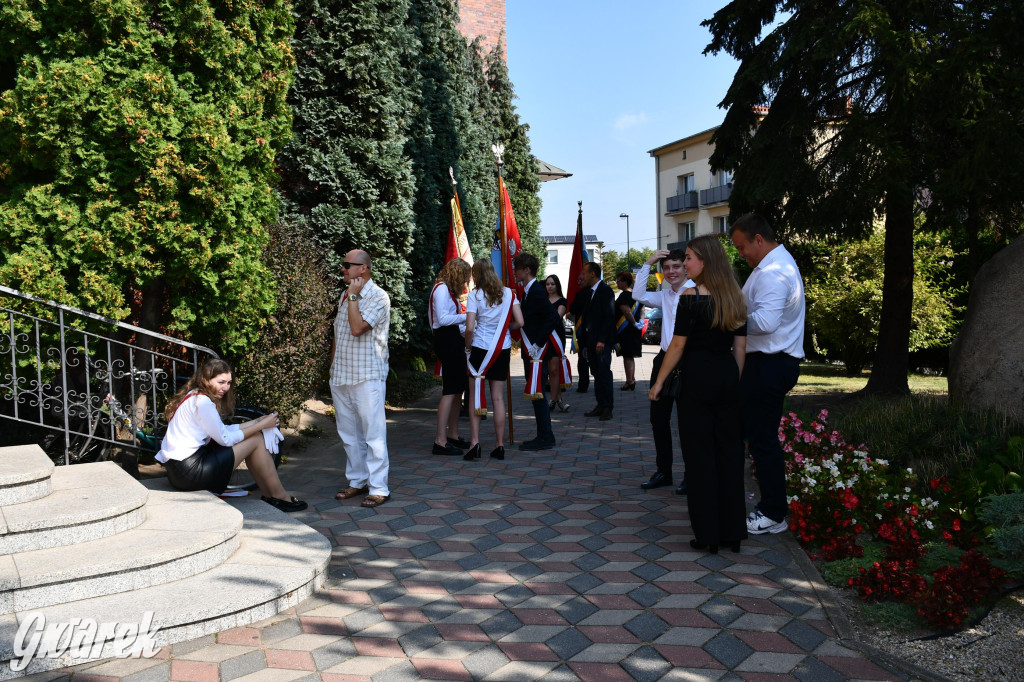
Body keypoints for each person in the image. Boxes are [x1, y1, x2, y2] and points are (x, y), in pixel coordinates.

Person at [650, 235, 748, 554]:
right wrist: (734, 380)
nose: (685, 263)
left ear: (705, 261)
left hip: (696, 380)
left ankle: (707, 535)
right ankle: (732, 532)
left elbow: (677, 346)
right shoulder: (735, 297)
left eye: (690, 257)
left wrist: (658, 382)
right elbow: (740, 347)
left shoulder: (690, 297)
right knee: (729, 455)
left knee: (700, 456)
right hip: (726, 378)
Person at [729, 214, 805, 535]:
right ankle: (757, 503)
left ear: (759, 239)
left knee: (761, 438)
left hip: (771, 364)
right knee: (750, 433)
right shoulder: (768, 268)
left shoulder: (775, 273)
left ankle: (773, 512)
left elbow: (766, 322)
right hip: (766, 363)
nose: (740, 254)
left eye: (742, 247)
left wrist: (729, 320)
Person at [157, 359, 307, 512]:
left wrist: (256, 421)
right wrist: (261, 426)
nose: (225, 388)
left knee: (254, 437)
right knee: (255, 439)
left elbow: (222, 430)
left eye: (228, 383)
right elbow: (225, 439)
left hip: (179, 472)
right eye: (221, 382)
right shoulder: (203, 403)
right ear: (206, 379)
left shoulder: (194, 395)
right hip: (190, 473)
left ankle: (271, 496)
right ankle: (279, 496)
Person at [330, 249, 392, 508]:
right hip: (342, 374)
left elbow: (357, 329)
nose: (343, 269)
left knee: (373, 434)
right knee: (348, 433)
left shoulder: (378, 297)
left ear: (363, 269)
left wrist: (354, 297)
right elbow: (338, 333)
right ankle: (357, 480)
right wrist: (332, 369)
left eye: (348, 265)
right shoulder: (346, 295)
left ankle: (379, 487)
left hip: (367, 375)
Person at [632, 249, 695, 495]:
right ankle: (664, 471)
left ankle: (692, 475)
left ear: (686, 268)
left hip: (688, 361)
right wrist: (648, 262)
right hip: (664, 359)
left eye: (676, 266)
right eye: (667, 267)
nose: (671, 272)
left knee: (688, 422)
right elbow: (637, 294)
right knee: (658, 418)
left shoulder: (696, 292)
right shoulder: (665, 295)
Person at [464, 258, 524, 461]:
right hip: (502, 348)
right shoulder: (509, 293)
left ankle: (475, 443)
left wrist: (467, 346)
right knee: (498, 397)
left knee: (474, 396)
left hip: (480, 348)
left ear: (477, 275)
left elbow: (470, 327)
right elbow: (520, 322)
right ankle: (499, 445)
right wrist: (505, 329)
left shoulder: (475, 295)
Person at [513, 252, 561, 450]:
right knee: (536, 393)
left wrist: (538, 343)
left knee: (537, 392)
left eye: (517, 268)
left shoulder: (537, 291)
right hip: (531, 351)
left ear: (527, 270)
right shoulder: (528, 290)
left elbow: (552, 317)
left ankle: (545, 437)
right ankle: (544, 434)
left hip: (537, 353)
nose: (515, 272)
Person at [429, 258, 472, 456]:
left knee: (457, 389)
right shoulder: (440, 289)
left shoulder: (447, 290)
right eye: (464, 278)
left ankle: (453, 435)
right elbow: (443, 319)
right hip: (446, 340)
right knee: (450, 390)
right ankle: (440, 439)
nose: (465, 283)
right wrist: (469, 316)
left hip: (452, 338)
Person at [580, 262, 617, 420]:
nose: (583, 276)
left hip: (602, 342)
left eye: (585, 273)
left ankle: (608, 407)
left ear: (593, 274)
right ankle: (600, 404)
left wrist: (602, 340)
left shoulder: (605, 290)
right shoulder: (590, 292)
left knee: (603, 373)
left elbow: (608, 317)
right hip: (591, 341)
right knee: (596, 372)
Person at [614, 271, 644, 391]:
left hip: (626, 329)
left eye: (619, 280)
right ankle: (631, 379)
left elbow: (627, 312)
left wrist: (634, 323)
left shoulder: (624, 296)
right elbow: (642, 310)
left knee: (627, 355)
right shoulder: (636, 295)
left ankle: (629, 381)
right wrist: (640, 322)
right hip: (634, 329)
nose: (617, 282)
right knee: (630, 355)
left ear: (625, 282)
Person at [545, 274, 570, 413]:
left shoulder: (562, 301)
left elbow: (557, 317)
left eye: (552, 284)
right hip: (544, 337)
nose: (549, 286)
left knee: (554, 369)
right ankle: (559, 400)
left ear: (557, 286)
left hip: (556, 337)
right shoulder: (543, 300)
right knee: (550, 370)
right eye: (548, 284)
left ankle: (552, 400)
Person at [568, 276, 591, 394]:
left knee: (582, 359)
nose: (579, 282)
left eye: (581, 280)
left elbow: (572, 309)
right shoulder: (595, 293)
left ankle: (583, 385)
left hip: (582, 331)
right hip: (593, 331)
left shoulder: (580, 295)